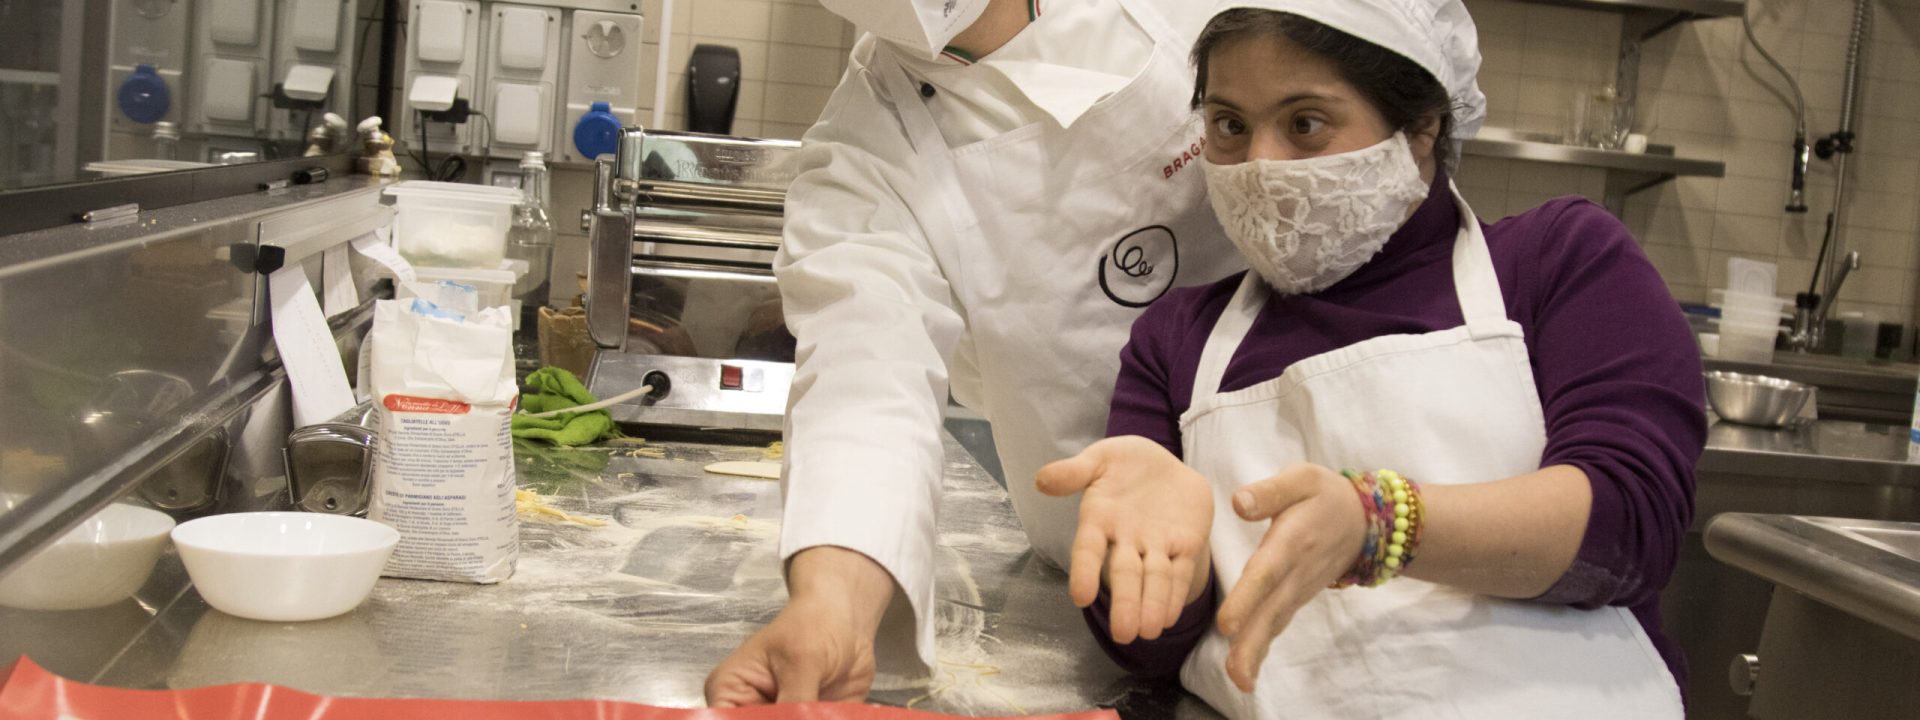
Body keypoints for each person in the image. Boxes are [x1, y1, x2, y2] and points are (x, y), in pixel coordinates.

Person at [1035, 1, 1704, 717]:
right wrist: (1167, 569)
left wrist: (1377, 523)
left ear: (1422, 126)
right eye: (1230, 125)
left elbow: (1632, 525)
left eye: (1304, 124)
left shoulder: (1556, 261)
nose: (1261, 164)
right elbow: (1150, 652)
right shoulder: (1177, 339)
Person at [703, 0, 1244, 706]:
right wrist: (832, 605)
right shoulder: (867, 149)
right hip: (1129, 590)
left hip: (1346, 494)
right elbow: (867, 381)